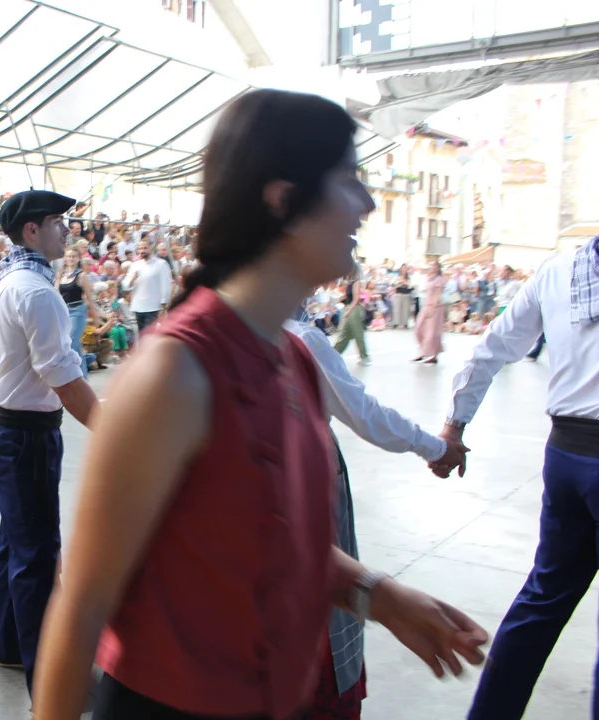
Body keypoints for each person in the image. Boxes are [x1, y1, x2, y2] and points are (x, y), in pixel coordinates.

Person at [31, 89, 488, 720]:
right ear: (283, 201)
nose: (366, 203)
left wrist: (378, 595)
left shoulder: (292, 358)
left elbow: (264, 537)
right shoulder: (175, 373)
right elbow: (81, 604)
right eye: (348, 180)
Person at [435, 234, 599, 720]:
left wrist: (454, 425)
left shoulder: (559, 271)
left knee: (542, 600)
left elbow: (492, 348)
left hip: (566, 456)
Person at [0, 190, 98, 696]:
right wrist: (116, 435)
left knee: (15, 543)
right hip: (28, 437)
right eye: (57, 221)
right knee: (36, 557)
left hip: (3, 432)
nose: (66, 230)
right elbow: (64, 379)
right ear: (31, 230)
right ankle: (52, 684)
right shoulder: (36, 292)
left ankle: (11, 646)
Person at [286, 304, 469, 718]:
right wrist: (436, 446)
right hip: (308, 485)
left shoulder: (217, 334)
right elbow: (364, 413)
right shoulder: (296, 338)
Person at [57, 247, 99, 378]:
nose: (71, 259)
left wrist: (95, 316)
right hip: (64, 311)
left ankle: (81, 376)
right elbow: (56, 294)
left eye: (73, 256)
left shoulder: (81, 275)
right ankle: (83, 368)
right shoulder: (61, 274)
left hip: (78, 310)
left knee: (72, 342)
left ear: (78, 258)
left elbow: (90, 297)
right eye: (68, 256)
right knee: (72, 345)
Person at [334, 263, 371, 365]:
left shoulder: (356, 282)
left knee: (357, 333)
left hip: (354, 310)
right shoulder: (349, 283)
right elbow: (349, 297)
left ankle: (364, 356)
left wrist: (348, 311)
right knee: (343, 333)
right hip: (348, 308)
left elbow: (356, 299)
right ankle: (334, 354)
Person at [414, 261, 446, 363]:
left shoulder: (439, 279)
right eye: (431, 265)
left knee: (432, 331)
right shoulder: (429, 278)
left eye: (435, 265)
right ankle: (423, 350)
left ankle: (433, 355)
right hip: (426, 304)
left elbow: (438, 293)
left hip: (435, 306)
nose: (432, 267)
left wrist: (433, 306)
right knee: (419, 328)